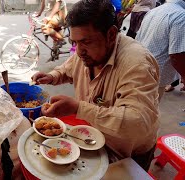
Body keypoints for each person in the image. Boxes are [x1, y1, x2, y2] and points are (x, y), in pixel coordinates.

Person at [31, 0, 159, 171]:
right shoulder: (85, 52)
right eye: (74, 43)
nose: (79, 51)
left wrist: (79, 108)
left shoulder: (137, 63)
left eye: (86, 42)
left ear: (111, 35)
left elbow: (136, 122)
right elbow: (68, 68)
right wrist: (52, 76)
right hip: (93, 140)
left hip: (128, 152)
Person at [136, 0, 185, 101]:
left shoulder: (154, 11)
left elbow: (138, 38)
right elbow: (176, 54)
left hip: (139, 67)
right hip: (153, 75)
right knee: (146, 113)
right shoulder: (181, 15)